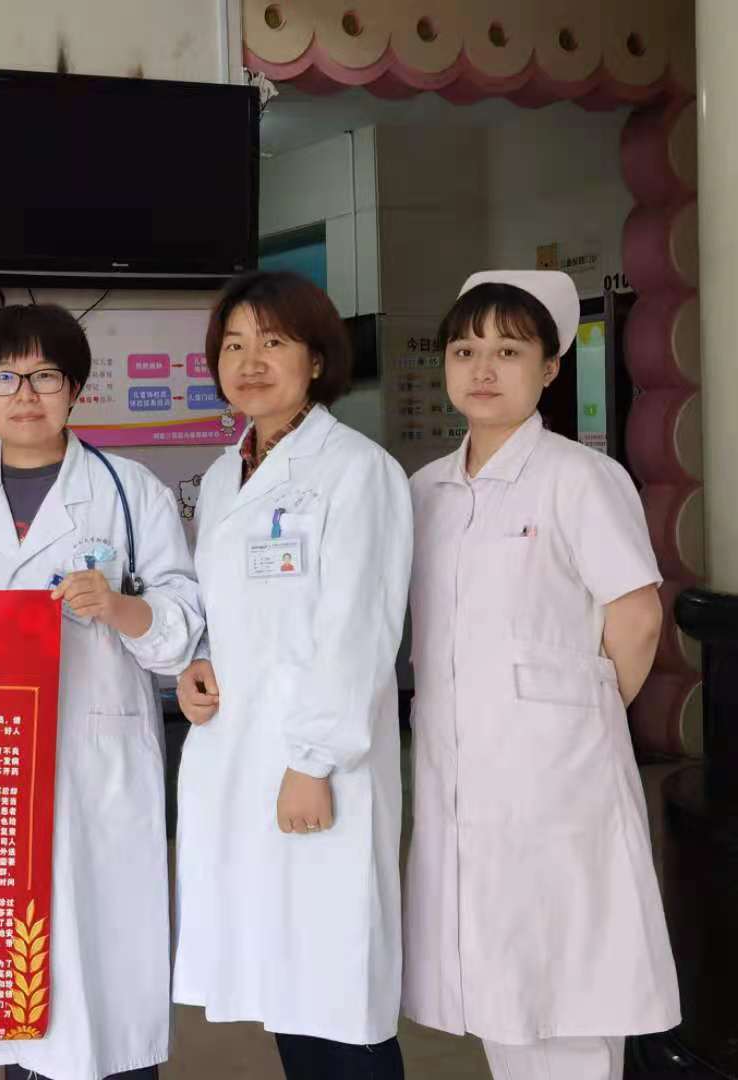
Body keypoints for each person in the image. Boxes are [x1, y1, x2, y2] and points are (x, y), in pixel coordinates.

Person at [403, 271, 679, 1080]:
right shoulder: (425, 491)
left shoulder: (578, 477)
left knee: (572, 990)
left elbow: (637, 618)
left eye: (509, 351)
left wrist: (578, 719)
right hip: (463, 777)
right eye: (465, 351)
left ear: (550, 368)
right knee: (503, 991)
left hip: (561, 779)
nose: (483, 369)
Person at [0, 303, 203, 1080]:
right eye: (4, 377)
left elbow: (181, 626)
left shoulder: (130, 491)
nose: (25, 395)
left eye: (45, 376)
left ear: (75, 389)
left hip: (96, 758)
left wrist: (119, 607)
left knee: (102, 979)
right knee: (13, 980)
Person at [173, 270, 412, 1080]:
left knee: (337, 996)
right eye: (234, 345)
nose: (250, 362)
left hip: (318, 768)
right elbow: (231, 608)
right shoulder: (223, 474)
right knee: (285, 988)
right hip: (240, 757)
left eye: (273, 342)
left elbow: (358, 628)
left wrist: (313, 760)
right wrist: (198, 663)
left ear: (316, 358)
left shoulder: (357, 469)